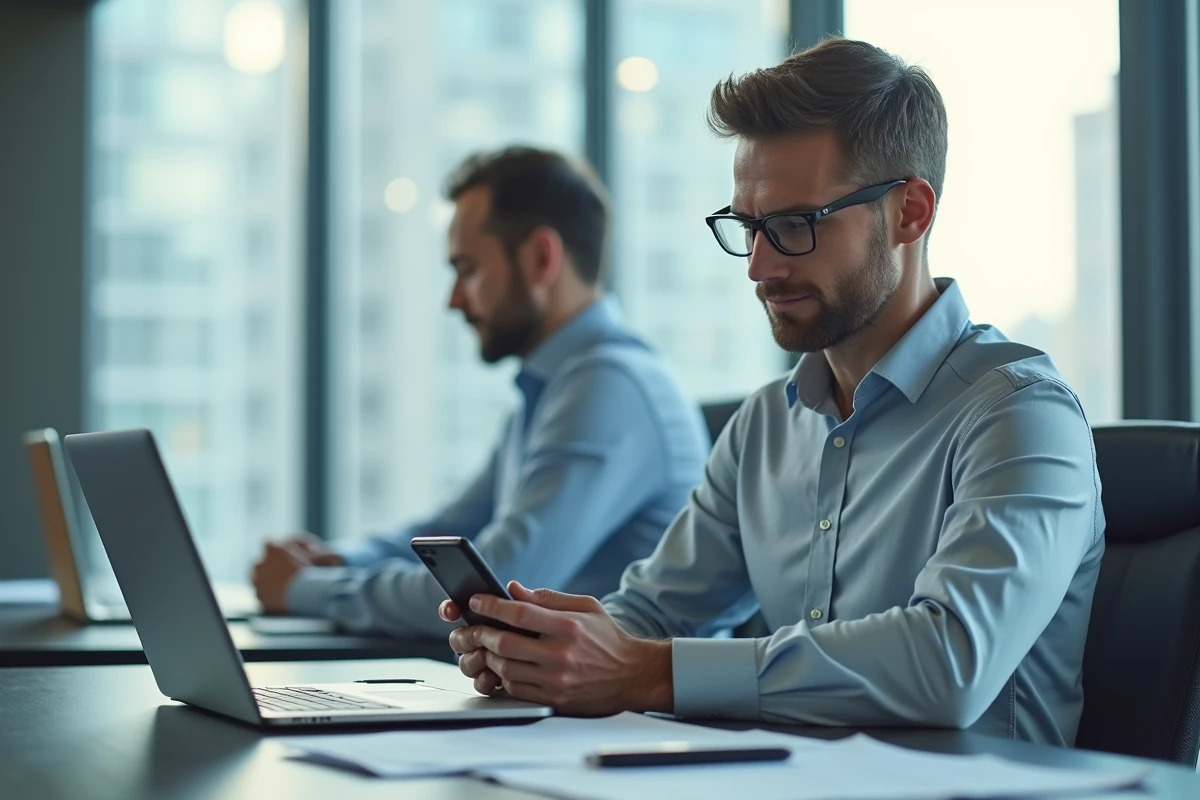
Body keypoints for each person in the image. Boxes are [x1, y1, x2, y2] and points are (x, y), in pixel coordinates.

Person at [440, 38, 1105, 747]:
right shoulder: (765, 425)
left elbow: (949, 663)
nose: (759, 266)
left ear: (910, 213)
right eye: (748, 227)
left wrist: (647, 672)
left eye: (794, 225)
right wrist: (552, 649)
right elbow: (657, 616)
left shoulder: (1019, 414)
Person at [251, 146, 710, 636]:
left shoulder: (610, 386)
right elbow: (447, 535)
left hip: (610, 710)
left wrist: (305, 589)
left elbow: (491, 589)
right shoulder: (559, 386)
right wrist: (336, 560)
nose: (453, 300)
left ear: (540, 258)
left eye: (467, 269)